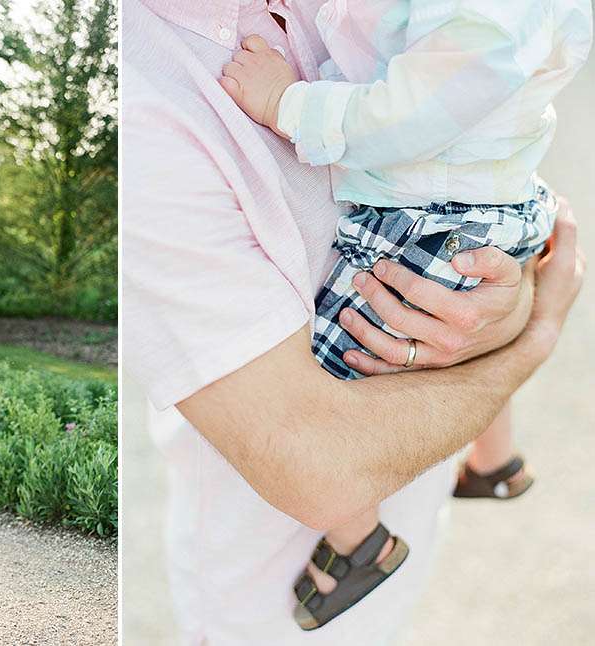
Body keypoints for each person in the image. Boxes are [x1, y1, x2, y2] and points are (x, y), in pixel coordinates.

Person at [122, 0, 585, 643]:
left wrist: (506, 318)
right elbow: (317, 463)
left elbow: (419, 115)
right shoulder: (145, 110)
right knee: (356, 352)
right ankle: (385, 523)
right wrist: (529, 338)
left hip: (414, 475)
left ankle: (376, 534)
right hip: (271, 603)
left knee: (362, 342)